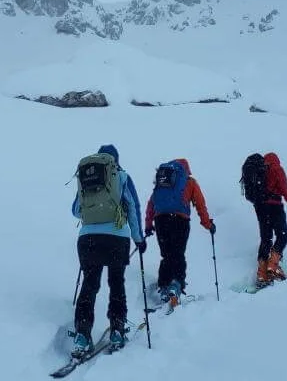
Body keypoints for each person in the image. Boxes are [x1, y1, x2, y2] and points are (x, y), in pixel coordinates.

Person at [70, 144, 146, 357]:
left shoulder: (87, 177)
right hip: (116, 239)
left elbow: (76, 210)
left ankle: (82, 335)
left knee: (90, 284)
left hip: (88, 239)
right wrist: (138, 239)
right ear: (115, 160)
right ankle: (117, 330)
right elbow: (133, 207)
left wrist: (94, 215)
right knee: (116, 283)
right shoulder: (121, 176)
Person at [143, 158, 214, 304]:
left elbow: (151, 203)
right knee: (178, 253)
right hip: (180, 221)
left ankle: (163, 286)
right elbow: (200, 204)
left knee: (167, 255)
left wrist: (149, 225)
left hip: (161, 220)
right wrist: (208, 224)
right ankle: (176, 285)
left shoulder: (163, 182)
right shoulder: (189, 181)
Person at [240, 152, 287, 287]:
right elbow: (285, 188)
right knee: (282, 235)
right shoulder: (276, 168)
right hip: (275, 206)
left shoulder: (260, 170)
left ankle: (262, 273)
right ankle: (273, 266)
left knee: (266, 238)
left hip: (260, 207)